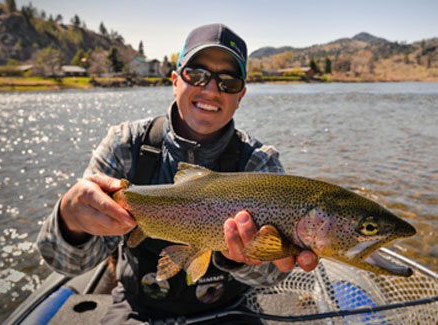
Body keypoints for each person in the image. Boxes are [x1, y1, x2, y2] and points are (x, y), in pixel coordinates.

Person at [37, 23, 318, 324]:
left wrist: (238, 259)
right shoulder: (124, 145)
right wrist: (70, 219)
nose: (211, 89)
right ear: (175, 80)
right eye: (197, 74)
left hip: (229, 309)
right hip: (138, 308)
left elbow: (273, 276)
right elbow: (66, 262)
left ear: (241, 95)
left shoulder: (260, 163)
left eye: (228, 81)